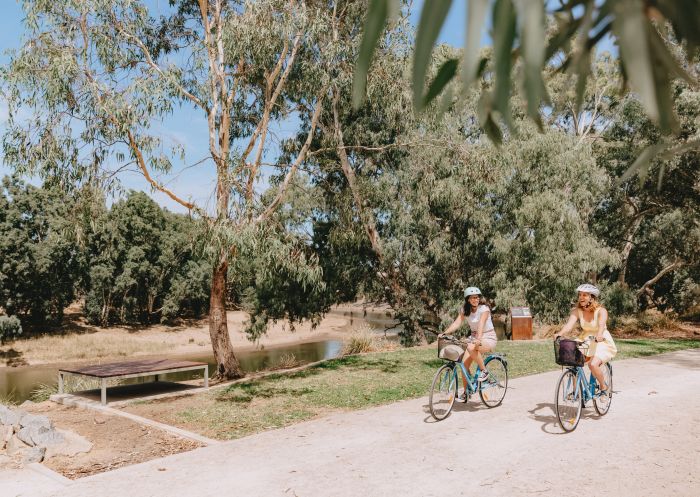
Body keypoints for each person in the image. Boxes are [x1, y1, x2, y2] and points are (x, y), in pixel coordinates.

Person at [555, 283, 618, 395]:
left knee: (593, 364)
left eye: (584, 295)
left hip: (601, 340)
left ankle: (604, 387)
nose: (581, 297)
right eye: (580, 295)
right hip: (586, 339)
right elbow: (569, 326)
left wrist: (599, 335)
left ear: (592, 297)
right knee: (572, 361)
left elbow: (602, 325)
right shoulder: (576, 311)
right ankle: (576, 393)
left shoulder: (601, 311)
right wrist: (559, 333)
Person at [440, 287, 497, 397]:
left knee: (471, 347)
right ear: (468, 300)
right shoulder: (465, 310)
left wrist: (478, 339)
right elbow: (457, 323)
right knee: (463, 365)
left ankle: (484, 371)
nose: (475, 300)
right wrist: (445, 333)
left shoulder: (484, 309)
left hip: (488, 337)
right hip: (474, 339)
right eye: (472, 298)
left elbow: (481, 323)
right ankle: (466, 392)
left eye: (477, 297)